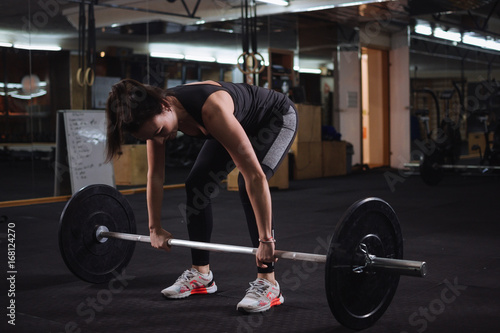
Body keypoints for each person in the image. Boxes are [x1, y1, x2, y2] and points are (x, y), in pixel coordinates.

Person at [105, 79, 298, 313]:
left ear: (165, 106)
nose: (159, 140)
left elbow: (255, 177)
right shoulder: (155, 121)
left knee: (245, 182)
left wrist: (266, 241)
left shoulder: (211, 109)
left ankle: (268, 282)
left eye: (159, 132)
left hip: (274, 118)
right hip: (235, 122)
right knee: (197, 184)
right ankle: (201, 274)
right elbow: (155, 176)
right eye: (151, 137)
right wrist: (154, 227)